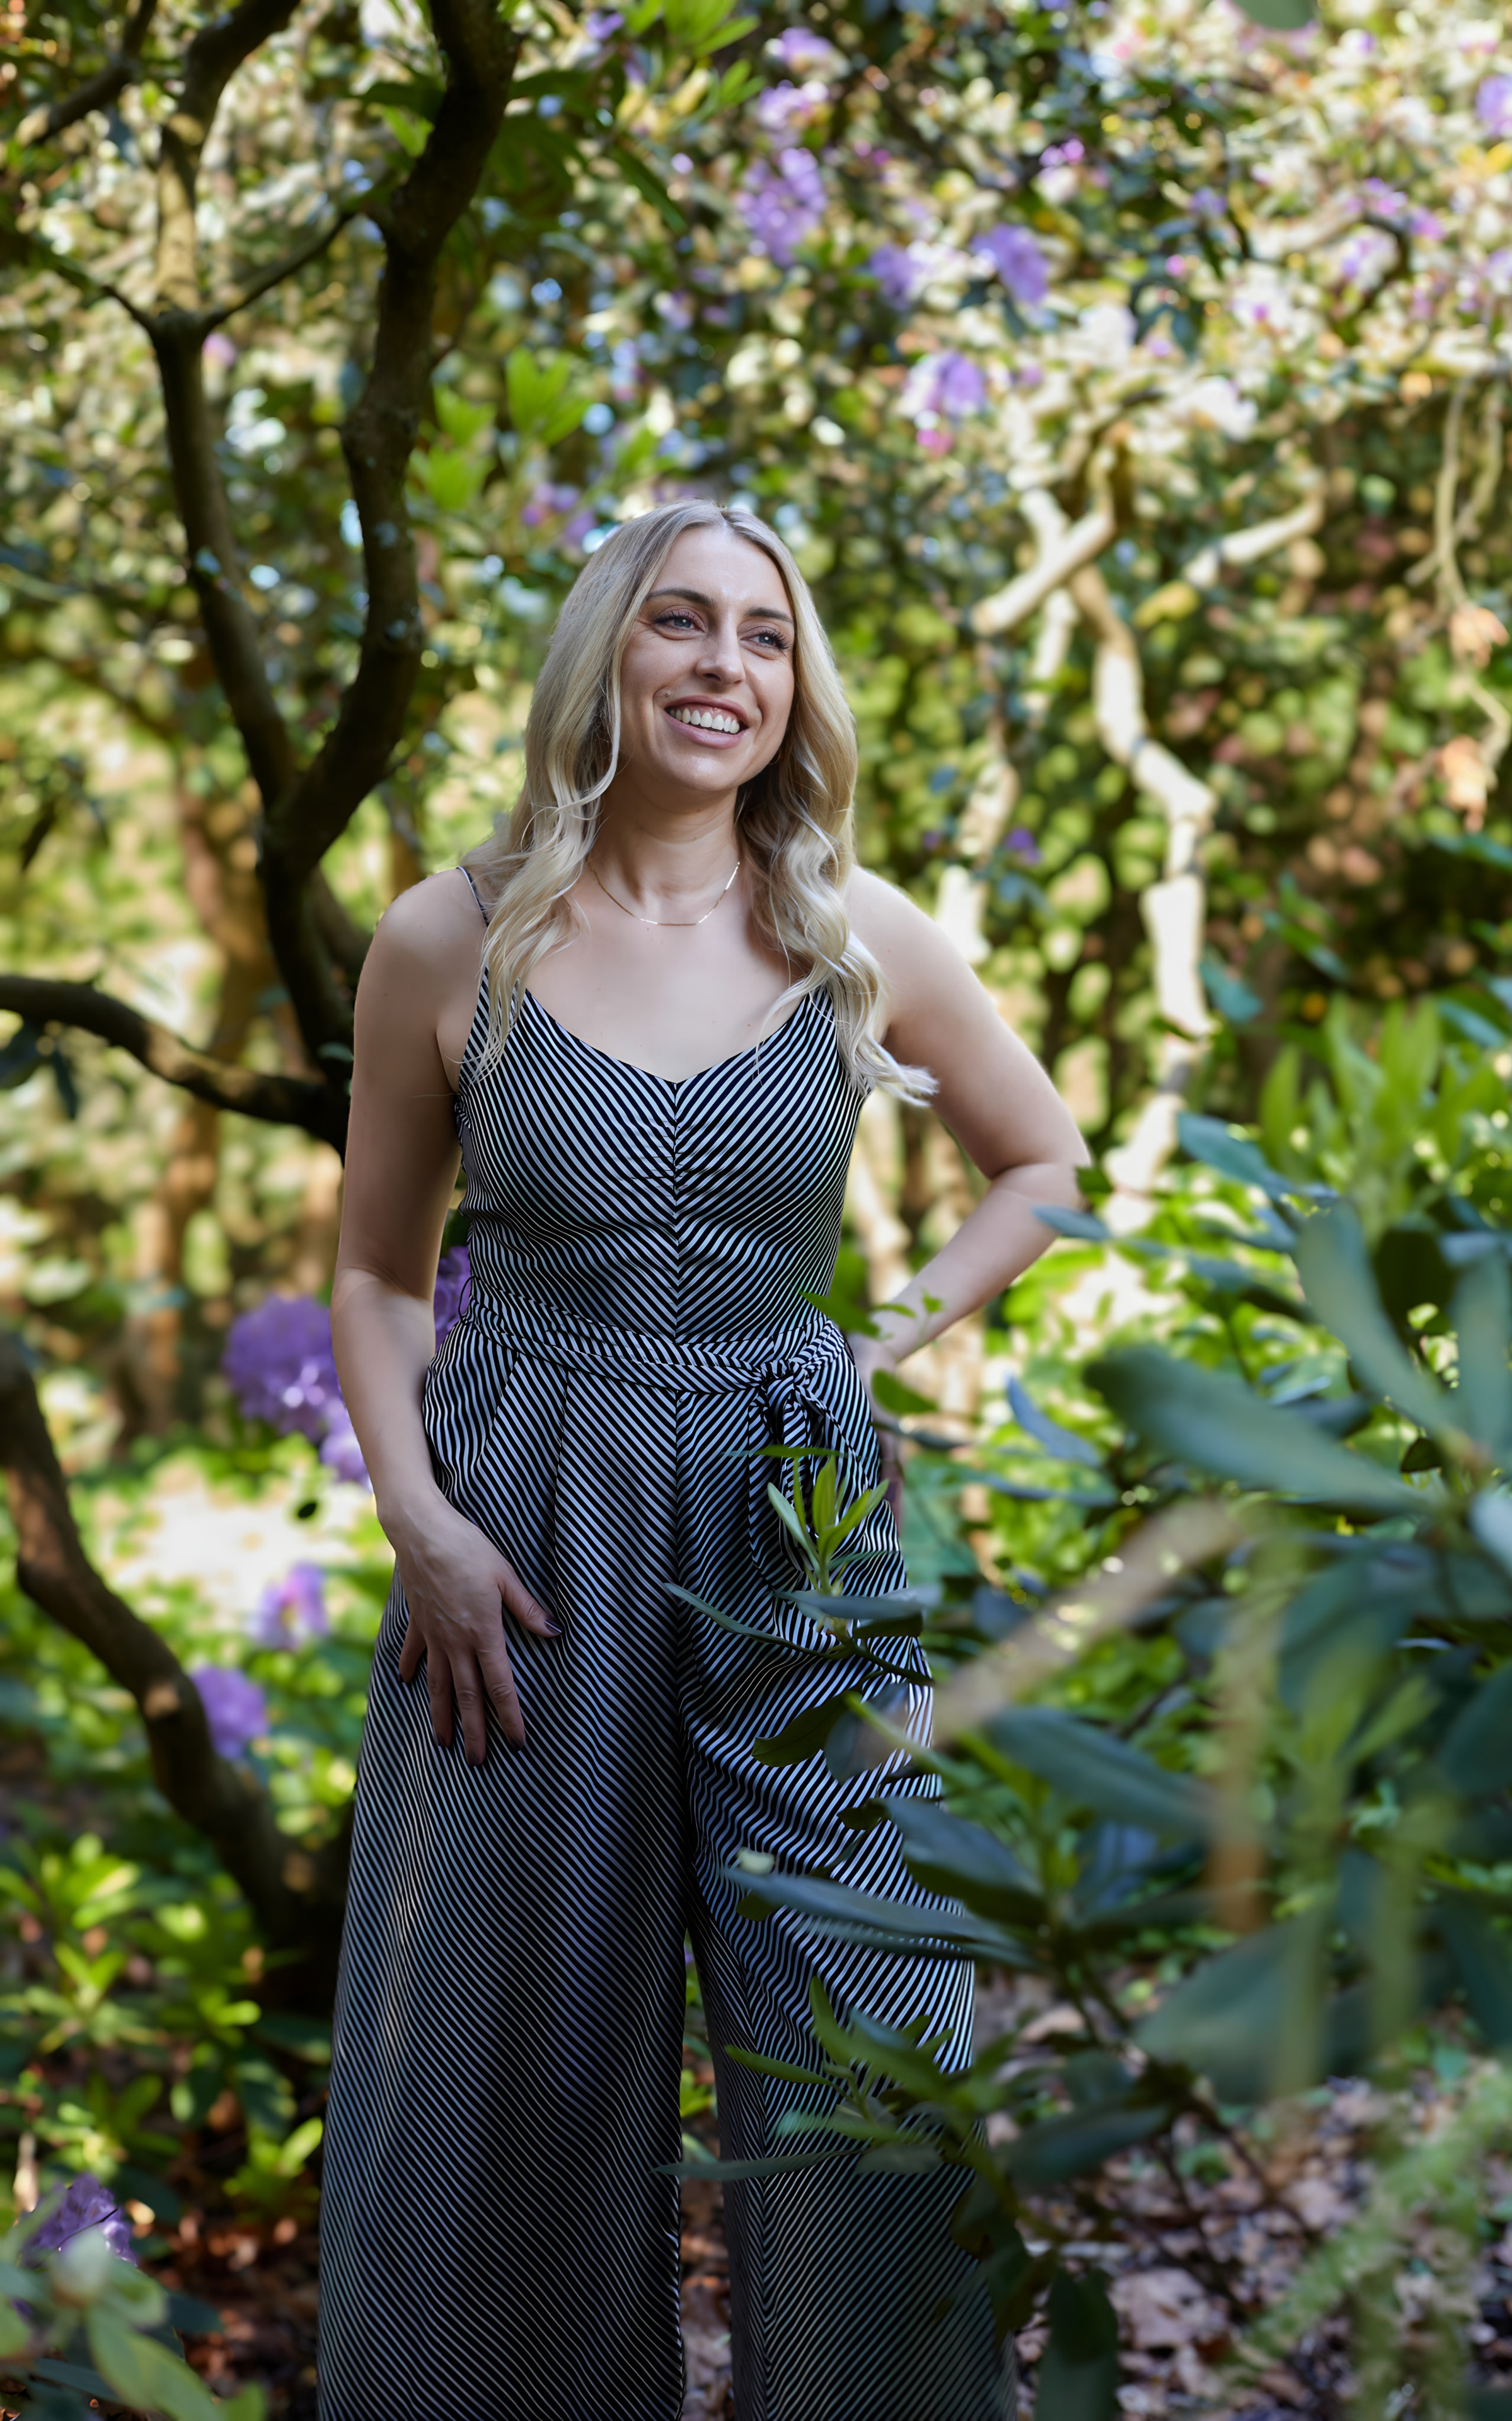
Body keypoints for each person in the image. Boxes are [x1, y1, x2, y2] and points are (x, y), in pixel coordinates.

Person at [319, 499, 1087, 2421]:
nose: (724, 667)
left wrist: (875, 1338)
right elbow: (373, 1268)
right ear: (608, 655)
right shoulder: (449, 930)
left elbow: (1043, 1162)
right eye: (681, 623)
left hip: (792, 1526)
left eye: (764, 636)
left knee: (865, 2038)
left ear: (795, 686)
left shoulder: (851, 931)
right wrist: (416, 1516)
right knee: (504, 2067)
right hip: (522, 1541)